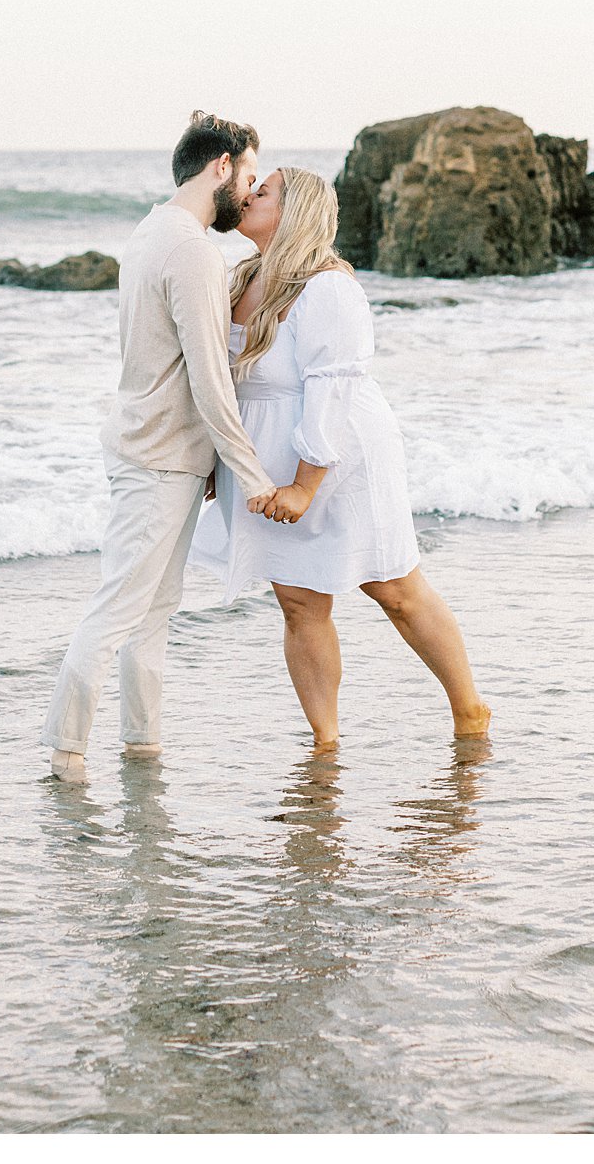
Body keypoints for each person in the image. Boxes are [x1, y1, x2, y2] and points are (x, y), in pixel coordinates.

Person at [190, 165, 490, 749]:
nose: (248, 194)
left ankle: (470, 711)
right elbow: (221, 385)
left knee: (393, 587)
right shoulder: (238, 278)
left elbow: (331, 387)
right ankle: (325, 742)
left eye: (264, 190)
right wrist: (217, 460)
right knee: (299, 600)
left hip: (339, 455)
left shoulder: (326, 288)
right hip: (263, 457)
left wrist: (305, 484)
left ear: (296, 211)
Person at [42, 111, 279, 781]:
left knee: (152, 607)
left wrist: (207, 457)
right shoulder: (191, 249)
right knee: (122, 605)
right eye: (249, 176)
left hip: (156, 447)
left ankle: (141, 742)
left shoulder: (151, 231)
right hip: (155, 455)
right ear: (220, 168)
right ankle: (65, 752)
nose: (250, 193)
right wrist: (252, 476)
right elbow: (208, 375)